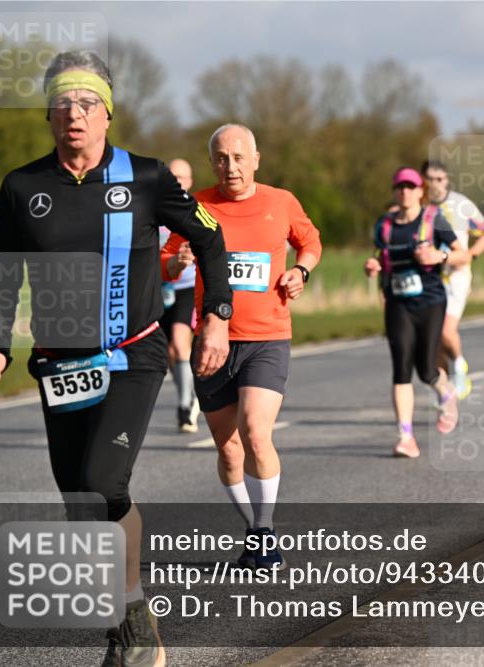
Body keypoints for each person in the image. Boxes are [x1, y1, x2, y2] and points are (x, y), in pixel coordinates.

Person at [0, 51, 232, 667]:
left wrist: (216, 316)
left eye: (87, 103)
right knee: (80, 502)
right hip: (59, 365)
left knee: (102, 481)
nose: (75, 114)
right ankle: (127, 623)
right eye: (63, 102)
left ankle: (134, 626)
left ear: (108, 113)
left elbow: (209, 233)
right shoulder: (23, 186)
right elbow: (3, 271)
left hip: (132, 352)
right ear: (47, 113)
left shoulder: (144, 178)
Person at [162, 124, 321, 570]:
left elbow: (309, 241)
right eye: (221, 158)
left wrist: (301, 272)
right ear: (211, 162)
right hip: (212, 342)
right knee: (229, 449)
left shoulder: (280, 201)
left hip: (267, 336)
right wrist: (175, 261)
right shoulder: (198, 207)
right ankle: (252, 529)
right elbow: (166, 261)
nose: (230, 166)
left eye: (238, 157)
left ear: (256, 159)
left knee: (255, 431)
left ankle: (266, 531)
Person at [364, 168, 468, 458]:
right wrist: (372, 266)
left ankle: (446, 394)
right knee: (401, 368)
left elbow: (463, 254)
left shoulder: (433, 220)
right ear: (395, 191)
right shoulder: (384, 225)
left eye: (411, 187)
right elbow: (378, 257)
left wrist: (440, 256)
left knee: (426, 368)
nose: (405, 192)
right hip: (398, 303)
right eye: (400, 187)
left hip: (431, 302)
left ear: (420, 191)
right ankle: (405, 437)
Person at [422, 160, 484, 400]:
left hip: (456, 276)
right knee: (433, 339)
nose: (434, 184)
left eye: (439, 179)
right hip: (427, 277)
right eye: (430, 179)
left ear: (447, 180)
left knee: (445, 330)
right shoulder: (418, 205)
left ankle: (459, 366)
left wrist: (471, 254)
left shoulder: (460, 204)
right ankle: (444, 390)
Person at [160, 158, 200, 432]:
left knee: (179, 340)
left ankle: (186, 407)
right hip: (159, 287)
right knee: (169, 352)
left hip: (187, 286)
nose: (178, 181)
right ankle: (189, 393)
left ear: (191, 181)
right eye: (173, 176)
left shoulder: (196, 210)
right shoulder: (156, 207)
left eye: (183, 177)